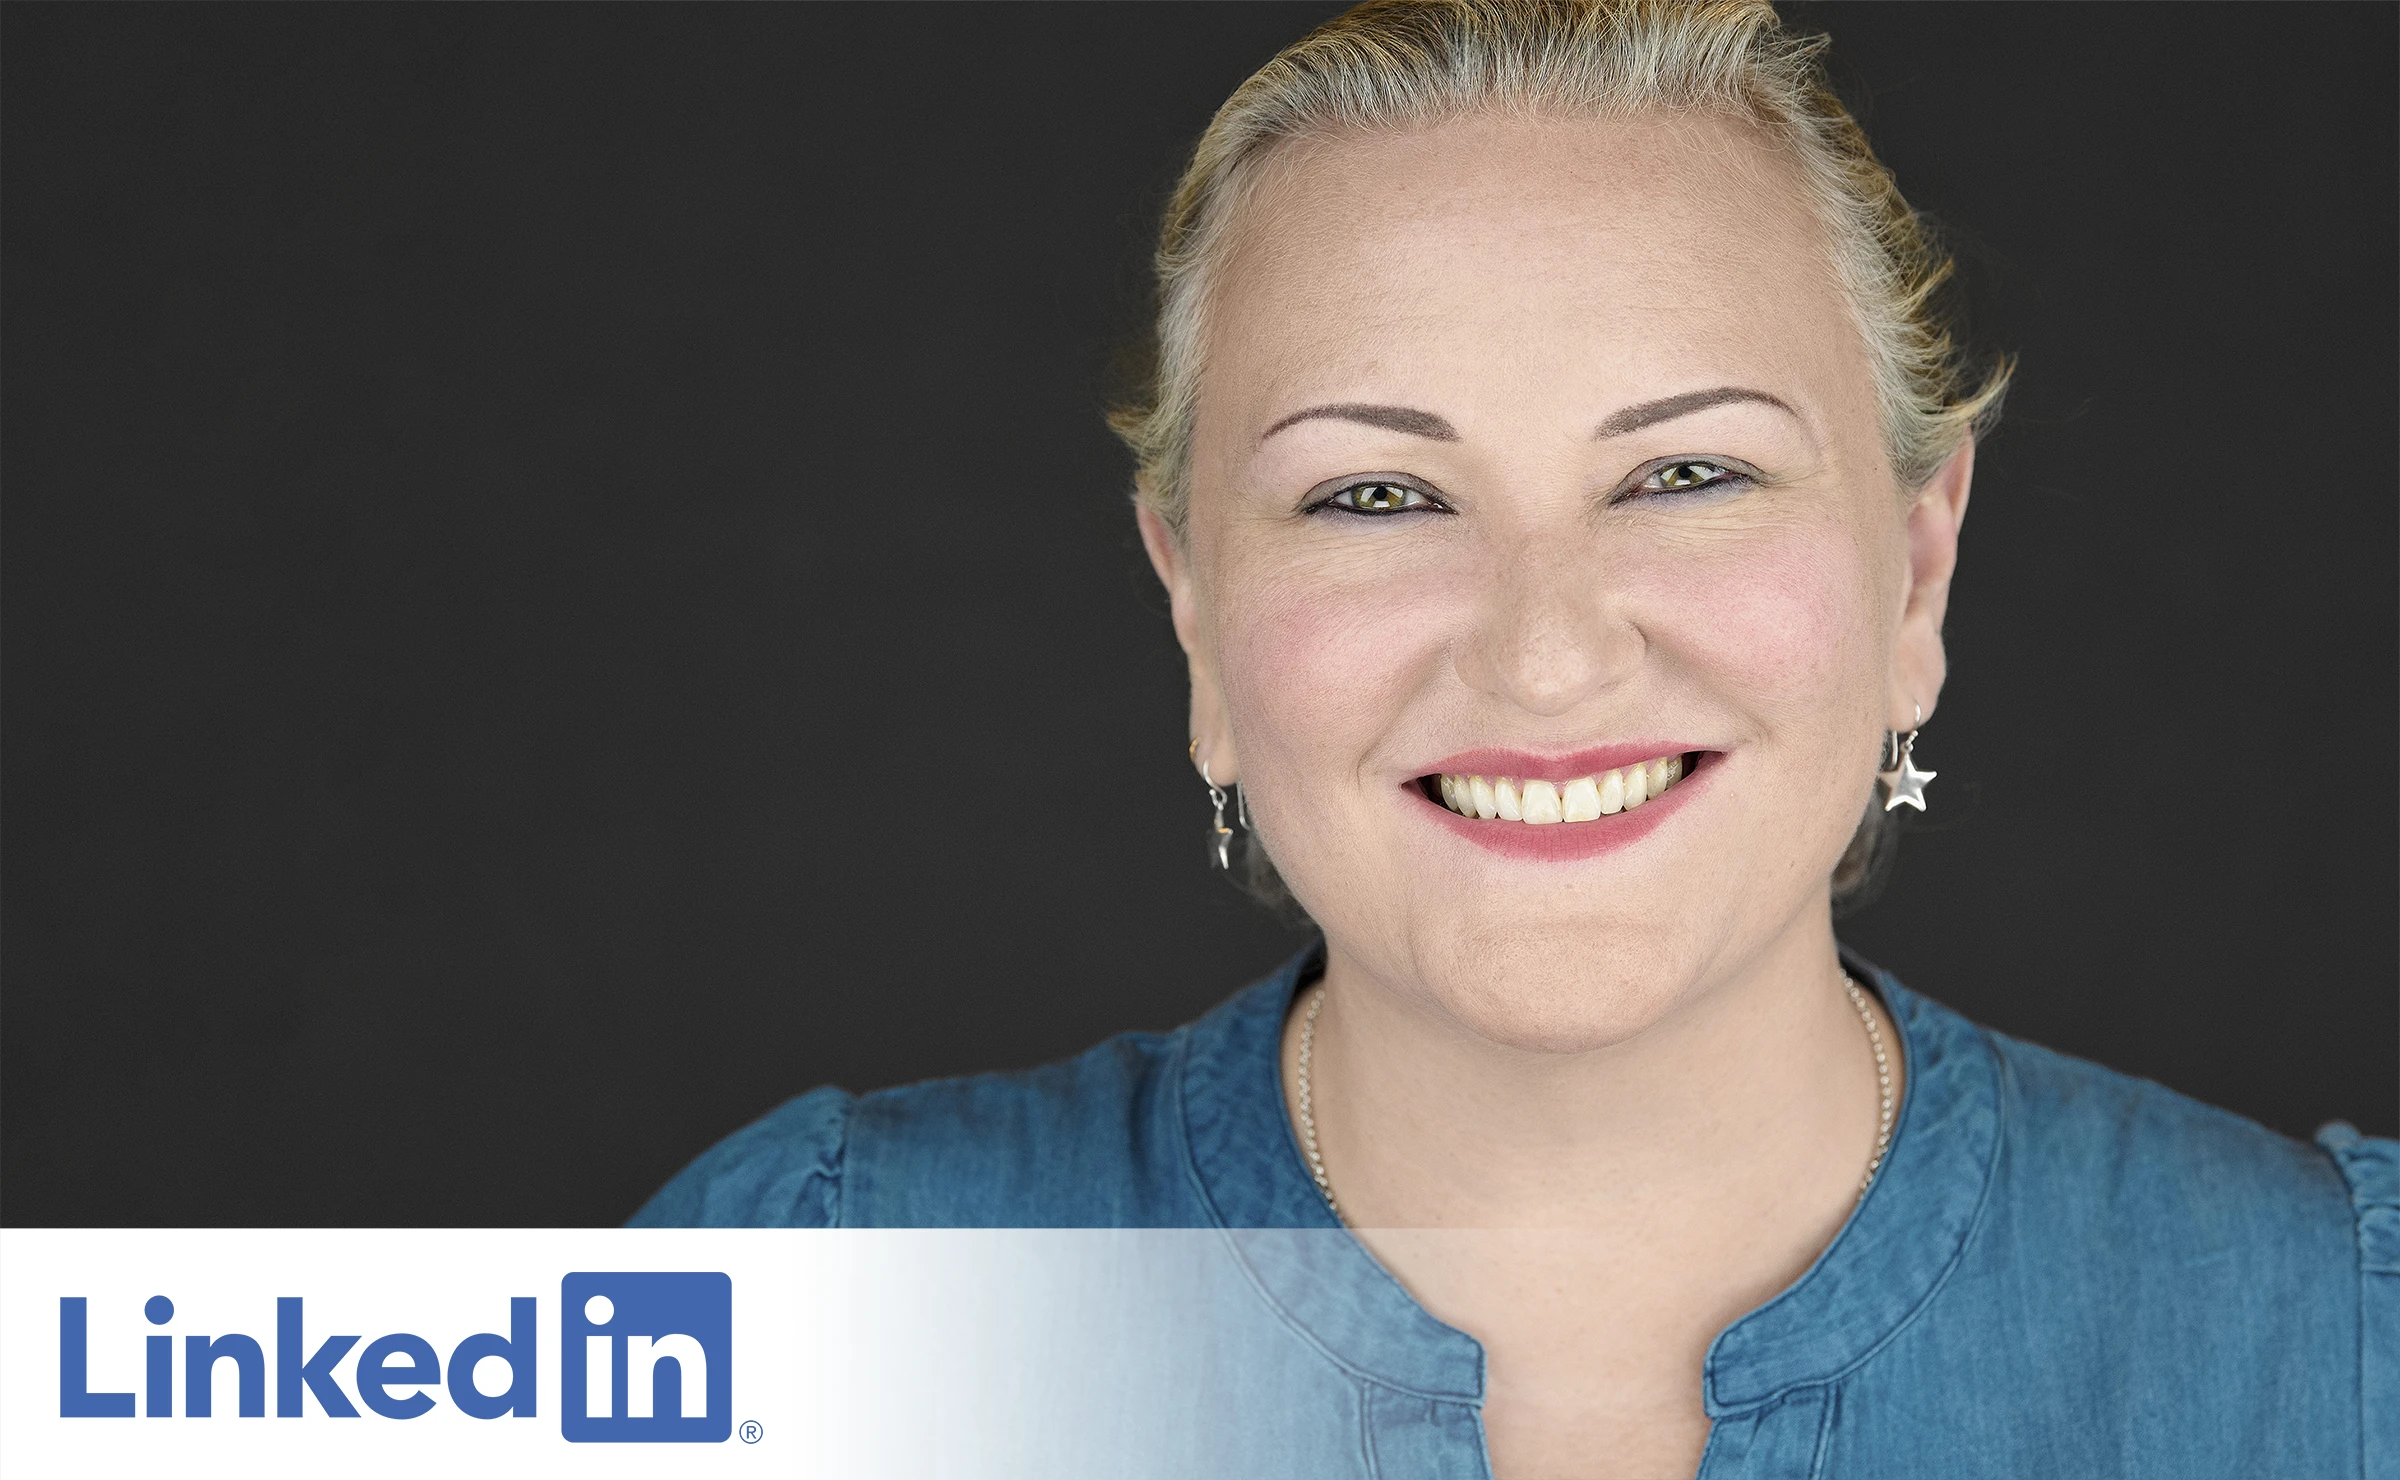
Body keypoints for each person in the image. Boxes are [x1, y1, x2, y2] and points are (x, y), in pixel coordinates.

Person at [632, 3, 2395, 1475]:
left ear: (1916, 567)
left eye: (1687, 473)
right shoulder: (815, 1290)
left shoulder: (2349, 1351)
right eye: (1377, 492)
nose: (1546, 656)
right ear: (1195, 613)